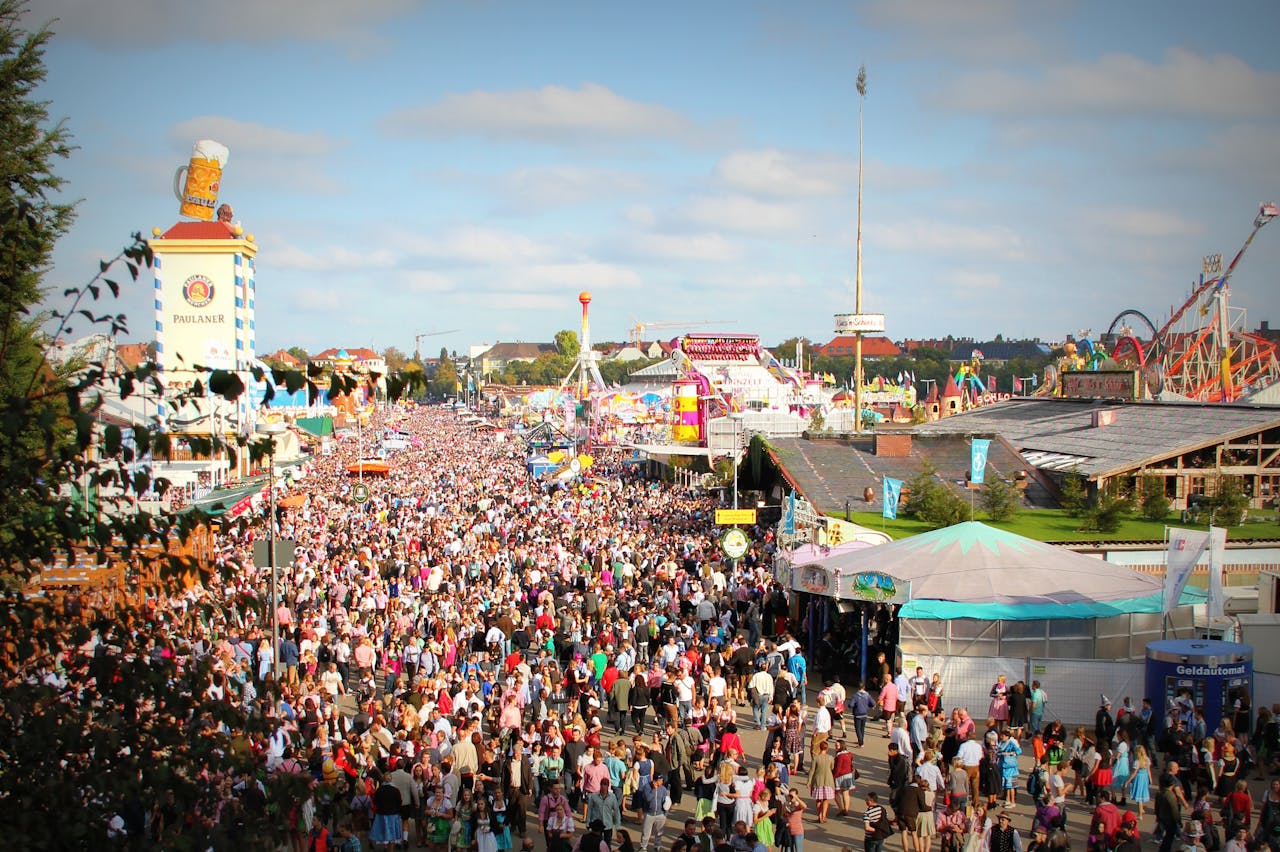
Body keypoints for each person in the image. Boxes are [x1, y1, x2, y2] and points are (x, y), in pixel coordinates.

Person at [639, 774, 672, 852]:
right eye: (660, 780)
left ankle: (657, 846)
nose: (661, 782)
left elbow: (666, 800)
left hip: (660, 814)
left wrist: (665, 813)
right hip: (649, 814)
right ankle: (643, 847)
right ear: (654, 781)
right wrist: (654, 789)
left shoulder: (663, 789)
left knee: (659, 832)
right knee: (646, 832)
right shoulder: (647, 787)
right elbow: (648, 799)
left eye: (662, 780)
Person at [808, 738, 836, 823]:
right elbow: (832, 768)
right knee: (826, 799)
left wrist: (809, 781)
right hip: (828, 780)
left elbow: (812, 770)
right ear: (827, 748)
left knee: (818, 799)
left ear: (820, 748)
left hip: (818, 780)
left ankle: (819, 815)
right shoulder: (830, 758)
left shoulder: (816, 758)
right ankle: (824, 816)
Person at [781, 787, 806, 852]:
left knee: (798, 850)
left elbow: (804, 806)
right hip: (788, 831)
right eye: (790, 795)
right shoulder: (786, 804)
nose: (791, 797)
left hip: (797, 831)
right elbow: (782, 816)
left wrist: (796, 798)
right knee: (788, 850)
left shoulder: (798, 805)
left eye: (792, 795)